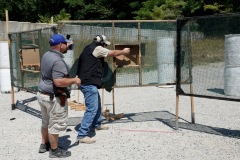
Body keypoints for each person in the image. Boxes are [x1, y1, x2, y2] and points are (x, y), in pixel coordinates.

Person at [76, 35, 130, 144]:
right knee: (92, 108)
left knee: (97, 103)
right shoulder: (97, 49)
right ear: (101, 44)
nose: (105, 47)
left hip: (87, 82)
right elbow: (113, 53)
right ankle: (81, 135)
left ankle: (96, 125)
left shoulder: (89, 47)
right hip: (88, 83)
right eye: (105, 44)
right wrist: (124, 52)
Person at [37, 34, 81, 158]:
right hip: (54, 97)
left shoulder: (46, 55)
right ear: (61, 45)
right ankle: (54, 150)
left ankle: (44, 144)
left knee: (46, 122)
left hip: (43, 95)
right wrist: (74, 81)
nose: (67, 46)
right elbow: (58, 82)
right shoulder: (58, 61)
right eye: (65, 44)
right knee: (55, 123)